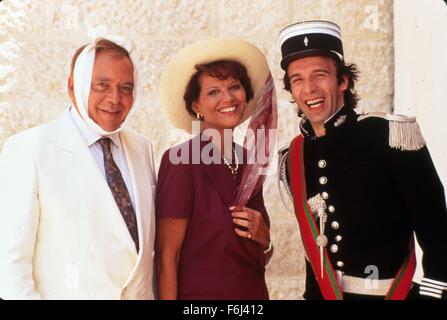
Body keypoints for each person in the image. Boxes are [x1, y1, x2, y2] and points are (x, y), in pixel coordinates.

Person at [277, 20, 447, 300]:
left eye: (320, 75)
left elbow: (439, 235)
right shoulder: (293, 157)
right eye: (297, 80)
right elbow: (314, 255)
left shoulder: (390, 136)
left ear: (342, 80)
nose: (309, 89)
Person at [0, 37, 156, 299]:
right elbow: (9, 264)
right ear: (74, 86)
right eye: (102, 85)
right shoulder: (29, 149)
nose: (115, 98)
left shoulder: (142, 148)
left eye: (126, 88)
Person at [156, 38, 277, 299]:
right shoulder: (181, 161)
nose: (228, 98)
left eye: (234, 87)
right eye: (214, 92)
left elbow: (258, 248)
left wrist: (265, 240)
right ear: (196, 106)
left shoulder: (249, 160)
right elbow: (167, 257)